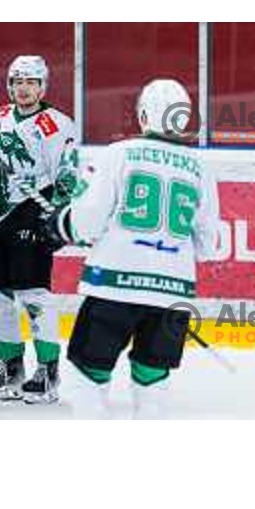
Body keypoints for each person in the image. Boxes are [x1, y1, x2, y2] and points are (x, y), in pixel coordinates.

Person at [49, 78, 221, 418]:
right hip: (172, 295)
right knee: (153, 385)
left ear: (143, 115)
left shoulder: (119, 154)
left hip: (114, 288)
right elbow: (207, 246)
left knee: (87, 378)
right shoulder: (202, 167)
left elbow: (86, 224)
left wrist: (60, 222)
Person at [0, 55, 83, 404]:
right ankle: (11, 370)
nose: (23, 88)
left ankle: (47, 371)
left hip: (32, 212)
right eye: (17, 81)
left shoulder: (56, 124)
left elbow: (67, 174)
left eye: (31, 82)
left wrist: (56, 216)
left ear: (43, 86)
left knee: (34, 295)